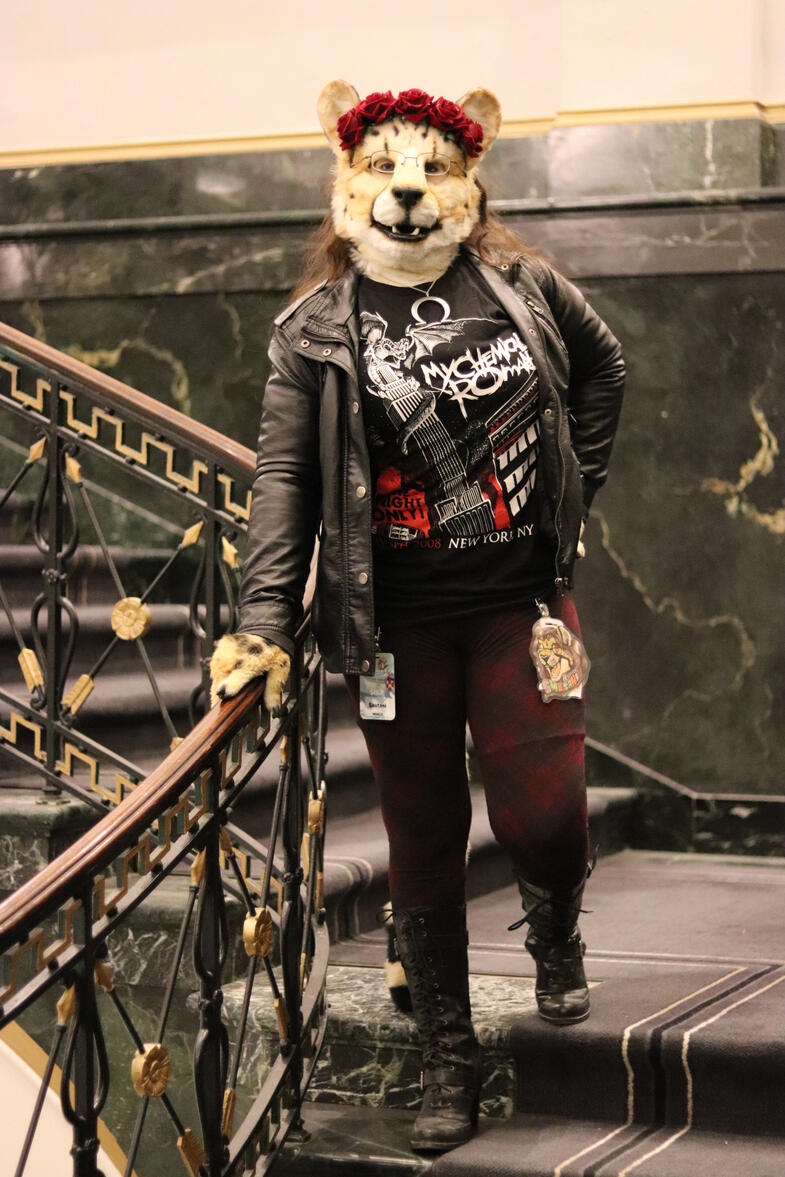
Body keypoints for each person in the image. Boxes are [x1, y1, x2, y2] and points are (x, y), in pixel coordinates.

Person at [210, 81, 625, 1154]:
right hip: (395, 625)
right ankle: (448, 1056)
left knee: (545, 813)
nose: (406, 188)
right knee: (423, 834)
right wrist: (264, 619)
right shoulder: (312, 329)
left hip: (519, 606)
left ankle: (554, 923)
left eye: (432, 168)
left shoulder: (523, 285)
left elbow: (603, 367)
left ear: (467, 182)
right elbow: (282, 479)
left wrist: (569, 490)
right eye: (383, 169)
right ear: (346, 185)